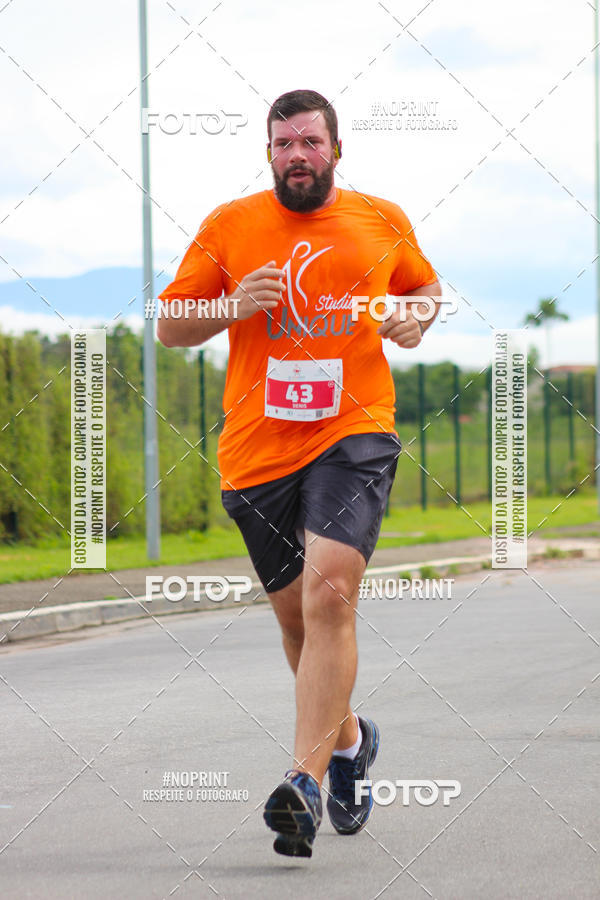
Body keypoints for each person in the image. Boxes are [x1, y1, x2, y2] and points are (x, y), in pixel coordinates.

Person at [158, 88, 442, 857]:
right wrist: (233, 306)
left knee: (329, 591)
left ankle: (304, 785)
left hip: (353, 431)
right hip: (256, 450)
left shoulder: (380, 218)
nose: (296, 156)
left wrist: (416, 318)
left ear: (336, 150)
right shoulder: (231, 225)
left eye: (310, 142)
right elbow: (170, 326)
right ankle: (349, 741)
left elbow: (424, 291)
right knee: (298, 622)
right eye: (282, 145)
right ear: (269, 155)